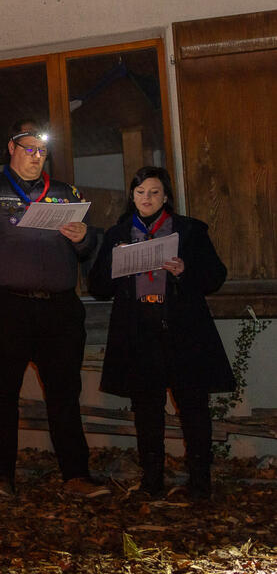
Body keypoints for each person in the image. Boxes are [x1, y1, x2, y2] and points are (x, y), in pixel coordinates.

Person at [0, 122, 108, 499]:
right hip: (3, 307)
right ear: (11, 148)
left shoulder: (64, 193)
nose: (36, 156)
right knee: (2, 395)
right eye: (29, 149)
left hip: (59, 309)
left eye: (42, 151)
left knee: (64, 395)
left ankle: (75, 476)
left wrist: (84, 238)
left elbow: (87, 251)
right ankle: (0, 478)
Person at [88, 166, 233, 501]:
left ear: (166, 196)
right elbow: (97, 286)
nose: (146, 199)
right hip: (139, 333)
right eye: (140, 193)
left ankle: (199, 484)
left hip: (183, 331)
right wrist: (117, 267)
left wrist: (185, 270)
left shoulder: (189, 230)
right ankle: (151, 482)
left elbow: (216, 276)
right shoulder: (119, 233)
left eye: (153, 192)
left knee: (193, 408)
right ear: (132, 196)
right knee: (147, 410)